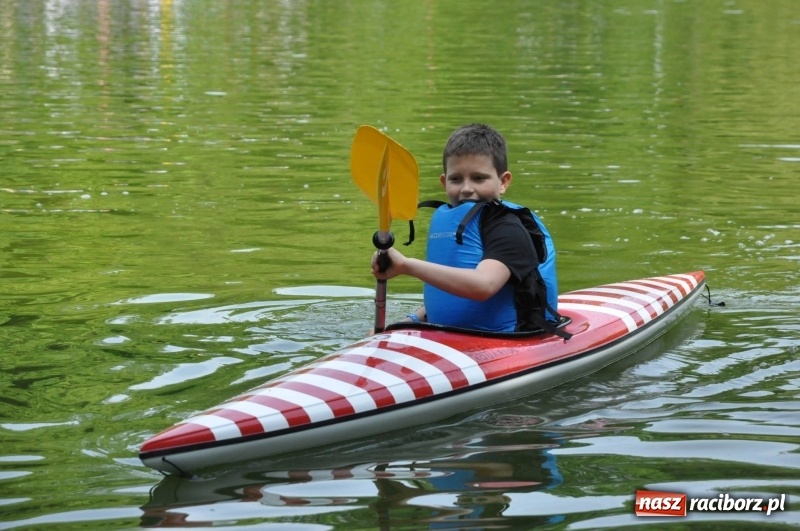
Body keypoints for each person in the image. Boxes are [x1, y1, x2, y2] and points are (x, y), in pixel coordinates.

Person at [370, 123, 565, 334]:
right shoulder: (452, 221)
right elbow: (449, 294)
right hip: (455, 335)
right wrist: (406, 322)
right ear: (444, 182)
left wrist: (406, 266)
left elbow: (483, 285)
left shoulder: (508, 228)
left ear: (503, 182)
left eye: (479, 178)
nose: (466, 189)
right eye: (456, 179)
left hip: (505, 341)